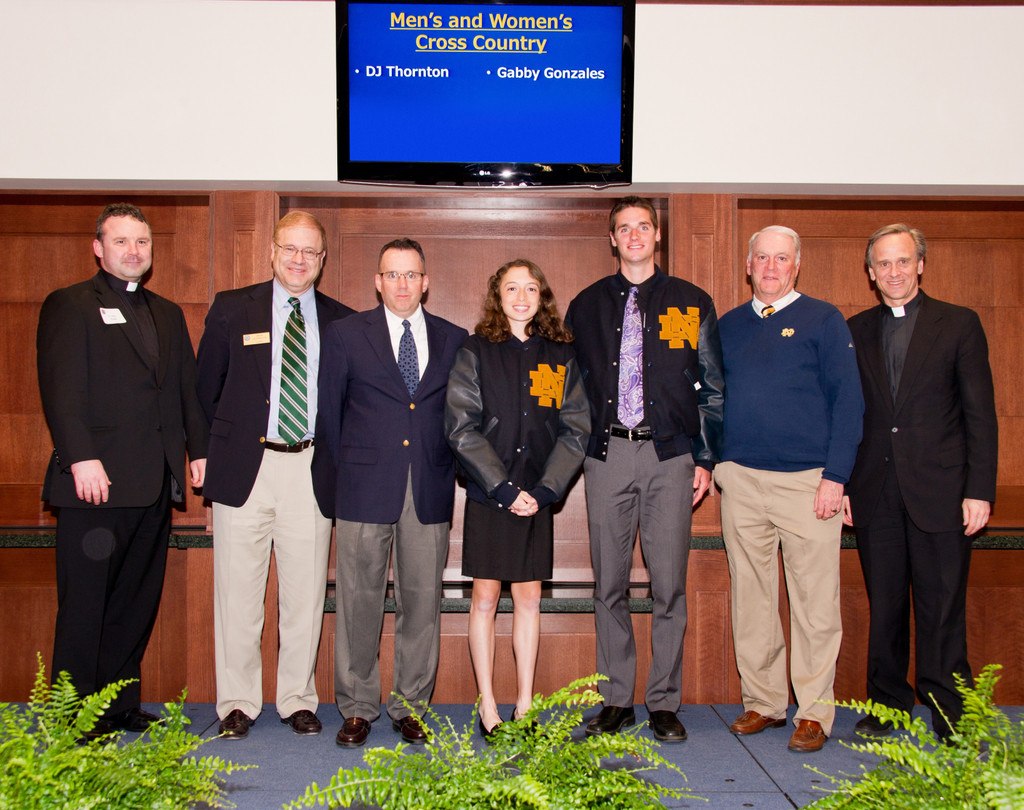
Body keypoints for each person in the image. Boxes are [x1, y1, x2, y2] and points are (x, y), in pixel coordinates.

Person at [36, 203, 208, 735]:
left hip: (153, 484)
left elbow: (185, 392)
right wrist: (80, 457)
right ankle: (71, 716)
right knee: (86, 606)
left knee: (135, 601)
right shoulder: (70, 304)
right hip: (94, 485)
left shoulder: (168, 312)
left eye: (142, 242)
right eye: (122, 241)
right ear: (98, 247)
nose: (134, 252)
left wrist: (198, 452)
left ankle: (117, 704)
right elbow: (61, 391)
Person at [564, 196, 724, 743]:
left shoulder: (692, 301)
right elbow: (570, 389)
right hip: (606, 455)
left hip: (671, 455)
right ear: (612, 239)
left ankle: (663, 702)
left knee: (669, 584)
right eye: (624, 228)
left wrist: (704, 456)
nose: (634, 235)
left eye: (643, 226)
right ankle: (616, 700)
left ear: (657, 236)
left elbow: (713, 386)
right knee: (609, 583)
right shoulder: (585, 306)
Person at [195, 211, 354, 740]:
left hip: (311, 468)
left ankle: (295, 699)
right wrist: (200, 454)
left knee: (305, 594)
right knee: (238, 593)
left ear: (323, 260)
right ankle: (237, 702)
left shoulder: (342, 322)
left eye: (310, 252)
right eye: (290, 248)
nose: (299, 259)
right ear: (272, 249)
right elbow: (203, 390)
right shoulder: (231, 308)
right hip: (245, 466)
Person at [843, 224, 997, 741]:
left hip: (943, 493)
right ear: (870, 273)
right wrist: (841, 483)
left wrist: (980, 490)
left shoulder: (959, 324)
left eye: (902, 261)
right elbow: (849, 414)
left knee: (941, 606)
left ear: (921, 265)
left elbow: (981, 415)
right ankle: (888, 703)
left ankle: (950, 710)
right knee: (885, 604)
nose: (893, 272)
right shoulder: (856, 328)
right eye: (883, 264)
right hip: (875, 492)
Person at [314, 238, 468, 748]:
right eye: (392, 275)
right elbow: (329, 416)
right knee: (358, 601)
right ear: (377, 282)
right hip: (361, 488)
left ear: (425, 282)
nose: (402, 284)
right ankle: (357, 707)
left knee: (422, 603)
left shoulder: (453, 338)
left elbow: (459, 416)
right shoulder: (345, 334)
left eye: (411, 275)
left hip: (428, 486)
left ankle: (410, 706)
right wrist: (337, 485)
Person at [716, 225, 863, 753]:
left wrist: (836, 476)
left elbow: (849, 402)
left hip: (809, 483)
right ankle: (763, 701)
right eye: (762, 258)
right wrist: (716, 464)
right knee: (752, 599)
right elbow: (709, 399)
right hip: (742, 480)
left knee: (814, 602)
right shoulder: (728, 326)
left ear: (796, 265)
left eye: (782, 258)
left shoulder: (823, 319)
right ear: (748, 265)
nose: (772, 267)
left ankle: (815, 711)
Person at [445, 259, 590, 739]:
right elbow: (461, 428)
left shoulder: (560, 353)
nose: (522, 296)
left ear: (542, 295)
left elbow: (575, 428)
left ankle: (525, 704)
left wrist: (545, 490)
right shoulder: (475, 351)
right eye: (512, 287)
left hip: (537, 497)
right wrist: (503, 488)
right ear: (497, 295)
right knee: (484, 599)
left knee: (529, 600)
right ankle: (487, 703)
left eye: (531, 287)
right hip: (493, 496)